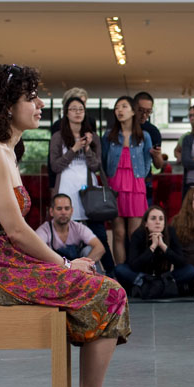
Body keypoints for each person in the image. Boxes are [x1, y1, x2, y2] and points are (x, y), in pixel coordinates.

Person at [0, 63, 144, 387]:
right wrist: (64, 263)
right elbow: (15, 230)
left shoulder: (4, 151)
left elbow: (15, 234)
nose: (40, 104)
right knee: (108, 291)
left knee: (102, 284)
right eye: (31, 98)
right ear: (7, 106)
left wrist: (65, 264)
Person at [49, 95, 113, 274]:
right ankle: (70, 272)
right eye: (73, 109)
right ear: (66, 113)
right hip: (66, 189)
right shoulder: (58, 137)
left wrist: (87, 148)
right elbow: (55, 165)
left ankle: (111, 273)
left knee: (99, 234)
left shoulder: (93, 138)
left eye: (81, 109)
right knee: (70, 233)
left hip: (89, 192)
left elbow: (95, 166)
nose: (78, 113)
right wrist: (74, 149)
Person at [102, 96, 153, 266]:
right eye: (117, 107)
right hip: (115, 186)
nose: (119, 110)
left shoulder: (144, 136)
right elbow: (103, 161)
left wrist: (139, 179)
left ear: (133, 111)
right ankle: (121, 273)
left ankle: (135, 270)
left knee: (135, 233)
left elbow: (147, 163)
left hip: (136, 186)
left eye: (124, 106)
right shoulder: (109, 135)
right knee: (118, 233)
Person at [114, 205, 194, 296]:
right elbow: (134, 265)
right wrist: (152, 247)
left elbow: (181, 262)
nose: (157, 222)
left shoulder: (171, 232)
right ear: (146, 223)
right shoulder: (138, 234)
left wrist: (163, 246)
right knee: (120, 269)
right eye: (153, 218)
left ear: (164, 223)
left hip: (165, 276)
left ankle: (151, 286)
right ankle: (162, 286)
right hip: (144, 276)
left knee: (190, 270)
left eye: (161, 219)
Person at [35, 194, 107, 269]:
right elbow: (36, 250)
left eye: (67, 208)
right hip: (55, 270)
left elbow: (100, 247)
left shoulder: (78, 227)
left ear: (72, 211)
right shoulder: (44, 230)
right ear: (51, 211)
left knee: (88, 250)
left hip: (80, 270)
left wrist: (86, 264)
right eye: (59, 209)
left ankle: (96, 280)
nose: (63, 212)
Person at [134, 91, 165, 202]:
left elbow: (159, 165)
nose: (144, 115)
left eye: (148, 112)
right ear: (133, 108)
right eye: (141, 111)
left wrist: (156, 155)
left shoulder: (152, 131)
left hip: (144, 181)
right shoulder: (121, 129)